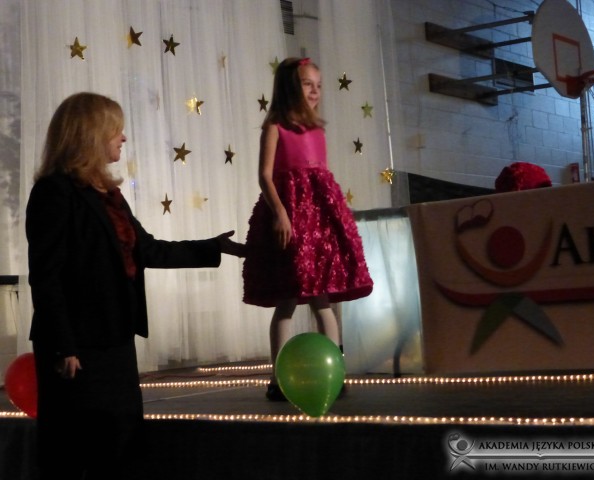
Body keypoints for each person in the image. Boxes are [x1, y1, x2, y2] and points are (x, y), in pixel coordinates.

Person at [26, 92, 245, 480]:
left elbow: (147, 249)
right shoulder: (54, 192)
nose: (123, 138)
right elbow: (47, 276)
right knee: (72, 450)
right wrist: (64, 345)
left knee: (120, 445)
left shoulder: (108, 196)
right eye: (116, 130)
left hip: (114, 339)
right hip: (76, 346)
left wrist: (213, 247)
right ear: (91, 134)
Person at [242, 58, 374, 401]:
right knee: (286, 301)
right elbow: (265, 176)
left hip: (319, 225)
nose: (315, 91)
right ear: (290, 88)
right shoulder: (275, 127)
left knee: (322, 300)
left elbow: (322, 181)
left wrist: (336, 220)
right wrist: (281, 214)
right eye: (307, 84)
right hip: (290, 221)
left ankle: (336, 373)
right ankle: (277, 378)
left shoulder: (318, 131)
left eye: (318, 85)